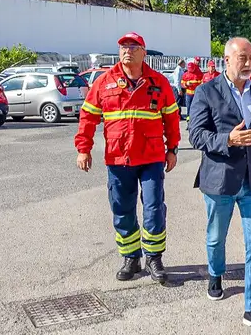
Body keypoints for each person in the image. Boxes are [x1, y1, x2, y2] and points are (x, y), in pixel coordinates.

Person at [75, 32, 181, 284]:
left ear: (144, 52)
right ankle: (130, 257)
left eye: (133, 46)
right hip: (118, 157)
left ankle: (154, 258)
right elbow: (88, 117)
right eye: (123, 46)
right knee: (122, 209)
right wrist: (83, 148)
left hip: (152, 157)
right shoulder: (105, 82)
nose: (127, 51)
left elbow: (171, 119)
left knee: (154, 208)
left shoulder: (159, 82)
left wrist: (173, 148)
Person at [188, 37, 251, 335]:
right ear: (226, 59)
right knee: (216, 237)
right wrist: (228, 139)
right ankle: (215, 273)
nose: (249, 63)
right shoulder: (206, 91)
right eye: (242, 57)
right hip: (220, 180)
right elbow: (196, 135)